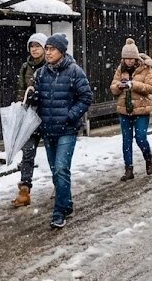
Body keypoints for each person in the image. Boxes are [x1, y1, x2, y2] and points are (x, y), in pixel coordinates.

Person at [32, 34, 93, 229]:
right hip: (48, 129)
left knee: (60, 168)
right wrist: (33, 99)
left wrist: (70, 115)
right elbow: (38, 98)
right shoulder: (40, 73)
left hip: (67, 129)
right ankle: (66, 204)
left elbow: (86, 97)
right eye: (46, 49)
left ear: (62, 51)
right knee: (55, 171)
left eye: (52, 49)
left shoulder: (74, 71)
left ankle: (58, 212)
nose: (48, 52)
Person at [109, 38, 152, 181]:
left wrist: (133, 85)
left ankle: (148, 159)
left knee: (141, 138)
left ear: (136, 58)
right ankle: (128, 169)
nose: (128, 61)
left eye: (131, 58)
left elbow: (151, 88)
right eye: (125, 58)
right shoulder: (120, 69)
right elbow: (113, 87)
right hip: (125, 110)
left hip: (142, 110)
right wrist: (119, 86)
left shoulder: (146, 69)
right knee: (126, 140)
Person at [11, 32, 49, 208]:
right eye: (32, 46)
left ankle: (60, 185)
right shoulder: (26, 67)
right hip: (29, 116)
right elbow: (21, 90)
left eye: (37, 46)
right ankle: (24, 190)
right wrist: (21, 107)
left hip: (48, 115)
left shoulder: (51, 66)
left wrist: (40, 96)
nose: (34, 49)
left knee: (53, 153)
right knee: (28, 153)